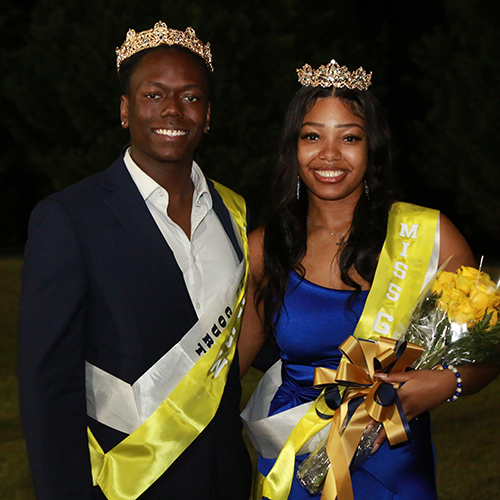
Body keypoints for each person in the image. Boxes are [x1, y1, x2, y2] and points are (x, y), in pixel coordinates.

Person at [238, 58, 500, 500]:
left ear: (371, 147)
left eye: (350, 138)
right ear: (293, 147)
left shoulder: (427, 235)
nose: (329, 154)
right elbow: (224, 373)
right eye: (312, 135)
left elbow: (490, 349)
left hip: (393, 462)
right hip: (298, 462)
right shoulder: (266, 249)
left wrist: (444, 384)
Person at [19, 21, 251, 500]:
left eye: (190, 97)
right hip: (126, 483)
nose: (172, 109)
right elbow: (48, 389)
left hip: (226, 477)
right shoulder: (69, 219)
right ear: (126, 110)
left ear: (207, 115)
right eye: (153, 95)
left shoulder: (236, 215)